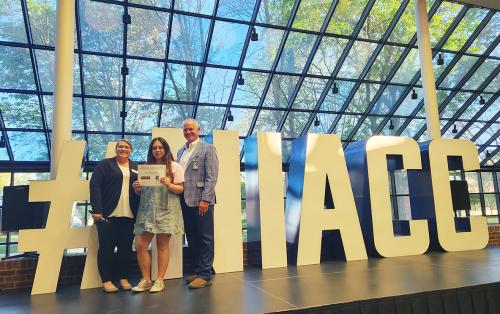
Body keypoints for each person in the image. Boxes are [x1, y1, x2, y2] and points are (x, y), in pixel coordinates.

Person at [131, 137, 185, 293]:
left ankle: (160, 280)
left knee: (162, 245)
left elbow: (180, 189)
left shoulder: (174, 166)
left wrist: (168, 184)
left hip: (166, 209)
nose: (157, 150)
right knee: (140, 244)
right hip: (147, 210)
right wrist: (137, 188)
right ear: (151, 151)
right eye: (154, 148)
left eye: (160, 147)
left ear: (165, 149)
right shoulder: (146, 168)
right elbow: (142, 192)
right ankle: (146, 280)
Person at [89, 139, 139, 293]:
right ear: (116, 149)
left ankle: (123, 278)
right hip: (107, 215)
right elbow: (95, 185)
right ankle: (107, 280)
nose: (123, 149)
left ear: (131, 150)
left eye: (127, 147)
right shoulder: (105, 164)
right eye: (120, 146)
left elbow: (142, 190)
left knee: (125, 249)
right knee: (107, 248)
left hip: (129, 215)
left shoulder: (136, 167)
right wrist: (97, 209)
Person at [177, 119, 219, 289]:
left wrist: (205, 199)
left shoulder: (208, 148)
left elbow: (212, 176)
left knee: (205, 238)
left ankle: (205, 274)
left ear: (198, 130)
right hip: (184, 200)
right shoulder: (180, 151)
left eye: (191, 129)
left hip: (202, 201)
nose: (188, 132)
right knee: (192, 237)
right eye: (185, 130)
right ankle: (198, 270)